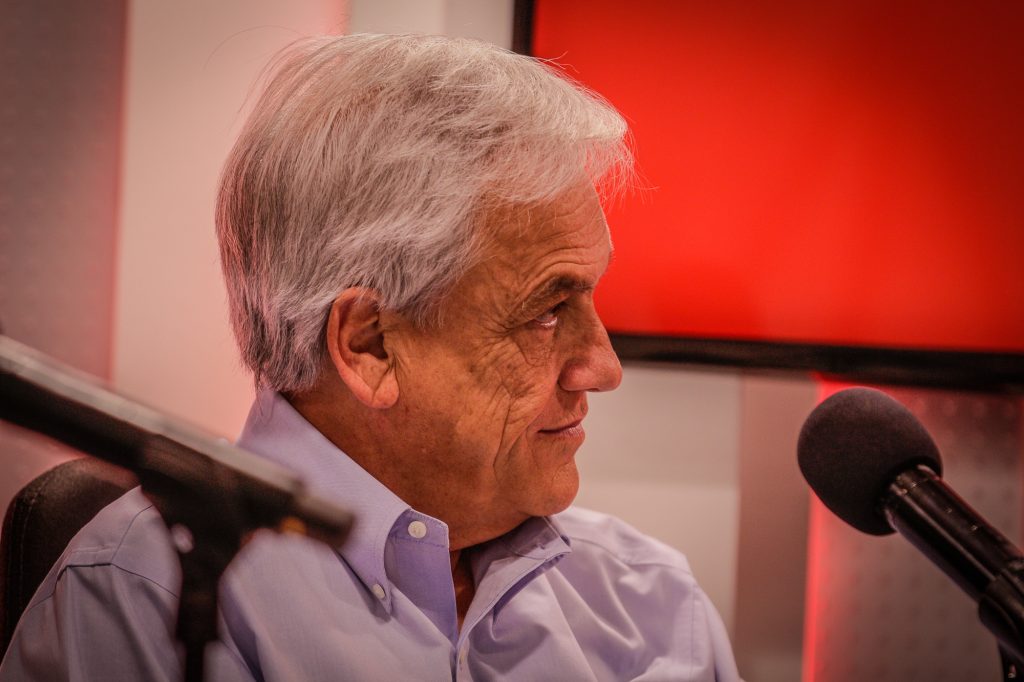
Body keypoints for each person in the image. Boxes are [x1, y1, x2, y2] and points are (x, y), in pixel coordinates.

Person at [1, 34, 740, 680]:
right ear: (370, 346)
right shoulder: (143, 601)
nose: (602, 368)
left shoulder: (652, 604)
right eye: (546, 312)